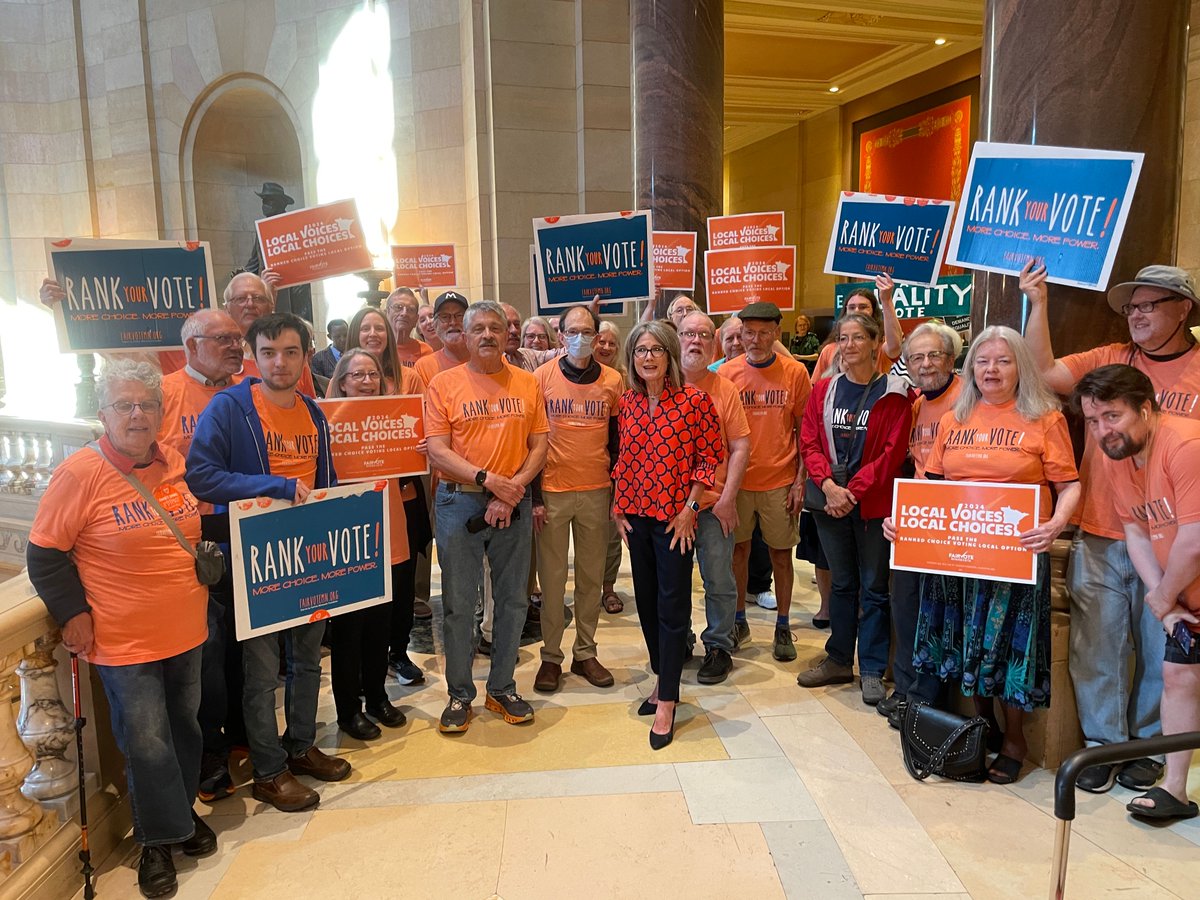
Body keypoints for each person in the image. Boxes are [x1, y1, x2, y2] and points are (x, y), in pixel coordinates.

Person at [27, 359, 214, 898]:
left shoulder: (171, 461)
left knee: (185, 728)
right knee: (147, 741)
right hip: (124, 638)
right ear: (103, 413)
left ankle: (180, 815)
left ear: (160, 410)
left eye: (148, 404)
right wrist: (73, 613)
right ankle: (156, 842)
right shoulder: (79, 473)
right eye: (124, 405)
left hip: (187, 627)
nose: (137, 414)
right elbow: (44, 554)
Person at [1024, 262, 1200, 794]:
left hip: (1179, 538)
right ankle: (1103, 744)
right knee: (1095, 645)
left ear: (1183, 310)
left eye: (1150, 305)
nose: (1138, 316)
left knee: (1160, 649)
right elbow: (1044, 372)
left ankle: (1149, 745)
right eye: (1132, 307)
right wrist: (1037, 303)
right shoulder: (1109, 358)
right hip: (1105, 526)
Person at [899, 325, 1080, 784]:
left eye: (1002, 361)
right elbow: (932, 484)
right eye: (983, 361)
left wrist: (1056, 524)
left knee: (1007, 647)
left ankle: (1015, 738)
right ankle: (984, 728)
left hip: (1014, 557)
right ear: (970, 367)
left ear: (1020, 367)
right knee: (963, 642)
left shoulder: (1046, 418)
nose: (991, 369)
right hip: (956, 555)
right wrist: (906, 519)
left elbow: (1070, 484)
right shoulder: (954, 420)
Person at [187, 312, 349, 812]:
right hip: (257, 558)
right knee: (260, 671)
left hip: (308, 556)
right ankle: (268, 770)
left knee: (306, 657)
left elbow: (325, 481)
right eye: (269, 352)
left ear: (305, 356)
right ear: (254, 357)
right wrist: (272, 486)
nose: (280, 362)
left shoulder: (313, 411)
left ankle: (300, 745)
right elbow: (202, 476)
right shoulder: (229, 407)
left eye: (291, 352)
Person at [1075, 365, 1200, 822]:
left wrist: (1164, 598)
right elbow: (1136, 531)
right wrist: (1164, 601)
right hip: (1185, 594)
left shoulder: (1185, 446)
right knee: (1178, 678)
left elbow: (1195, 538)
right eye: (1092, 421)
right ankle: (1175, 789)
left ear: (1145, 410)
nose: (1102, 430)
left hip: (1183, 586)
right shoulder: (1117, 456)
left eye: (1112, 416)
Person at [424, 301, 549, 732]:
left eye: (495, 327)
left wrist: (511, 490)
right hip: (460, 501)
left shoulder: (528, 383)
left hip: (512, 500)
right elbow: (438, 449)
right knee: (460, 605)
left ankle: (502, 688)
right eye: (478, 328)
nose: (488, 335)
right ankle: (460, 695)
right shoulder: (443, 384)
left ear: (505, 334)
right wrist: (489, 480)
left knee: (513, 600)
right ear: (464, 334)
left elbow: (539, 446)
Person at [613, 320, 722, 749]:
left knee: (673, 606)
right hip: (636, 519)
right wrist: (618, 507)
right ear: (631, 358)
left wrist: (690, 510)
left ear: (671, 355)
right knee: (645, 602)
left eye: (657, 349)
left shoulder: (695, 401)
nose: (648, 357)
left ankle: (669, 701)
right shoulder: (629, 403)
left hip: (675, 520)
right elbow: (622, 459)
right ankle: (662, 677)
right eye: (640, 350)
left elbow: (707, 460)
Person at [798, 313, 911, 705]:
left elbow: (892, 453)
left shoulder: (894, 393)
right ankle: (839, 659)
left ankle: (873, 669)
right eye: (843, 338)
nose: (848, 346)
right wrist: (828, 486)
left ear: (876, 342)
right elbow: (809, 441)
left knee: (874, 589)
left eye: (857, 338)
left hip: (873, 506)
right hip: (831, 503)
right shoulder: (824, 390)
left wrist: (853, 492)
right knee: (843, 584)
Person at [157, 309, 246, 804]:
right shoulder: (165, 394)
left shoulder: (246, 391)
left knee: (242, 637)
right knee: (207, 647)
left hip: (246, 523)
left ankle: (241, 733)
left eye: (237, 338)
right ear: (192, 347)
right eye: (223, 339)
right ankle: (208, 751)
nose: (236, 346)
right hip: (193, 533)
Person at [531, 304, 624, 693]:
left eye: (588, 331)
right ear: (560, 335)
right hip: (552, 491)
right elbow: (529, 442)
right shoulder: (539, 379)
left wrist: (618, 496)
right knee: (552, 581)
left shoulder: (614, 381)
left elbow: (619, 444)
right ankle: (551, 657)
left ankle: (585, 651)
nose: (581, 339)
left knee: (590, 577)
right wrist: (534, 496)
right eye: (573, 331)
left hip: (596, 490)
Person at [877, 320, 963, 727]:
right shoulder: (914, 404)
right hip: (915, 517)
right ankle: (908, 689)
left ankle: (925, 699)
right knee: (906, 604)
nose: (926, 364)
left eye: (934, 355)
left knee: (937, 610)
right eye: (917, 357)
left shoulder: (967, 399)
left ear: (951, 358)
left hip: (953, 521)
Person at [323, 349, 410, 739]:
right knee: (348, 629)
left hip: (388, 524)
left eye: (372, 374)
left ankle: (377, 697)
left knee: (381, 624)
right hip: (347, 534)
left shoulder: (393, 417)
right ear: (342, 381)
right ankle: (348, 710)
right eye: (356, 375)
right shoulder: (325, 422)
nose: (365, 381)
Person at [720, 303, 812, 662]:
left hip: (780, 479)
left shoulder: (794, 373)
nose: (755, 340)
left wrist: (800, 480)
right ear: (739, 334)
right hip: (738, 483)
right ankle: (740, 619)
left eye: (763, 332)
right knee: (737, 554)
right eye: (748, 333)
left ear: (777, 333)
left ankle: (783, 624)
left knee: (781, 555)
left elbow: (805, 431)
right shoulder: (726, 374)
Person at [679, 312, 751, 684]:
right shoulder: (660, 383)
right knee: (672, 581)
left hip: (713, 505)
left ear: (715, 342)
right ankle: (679, 641)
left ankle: (719, 645)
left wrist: (728, 499)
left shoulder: (725, 390)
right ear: (677, 338)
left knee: (719, 579)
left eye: (704, 335)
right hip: (669, 508)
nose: (696, 341)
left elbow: (740, 446)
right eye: (689, 334)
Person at [593, 320, 627, 613]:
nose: (605, 347)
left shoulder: (625, 378)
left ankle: (608, 587)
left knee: (610, 534)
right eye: (600, 341)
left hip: (615, 469)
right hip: (576, 470)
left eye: (611, 343)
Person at [813, 275, 903, 378]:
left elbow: (895, 347)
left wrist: (886, 300)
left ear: (873, 311)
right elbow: (817, 387)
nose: (856, 311)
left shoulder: (879, 346)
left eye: (863, 307)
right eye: (852, 307)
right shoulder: (829, 350)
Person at [414, 291, 471, 386]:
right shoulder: (424, 367)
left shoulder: (485, 359)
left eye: (459, 316)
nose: (453, 322)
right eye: (445, 317)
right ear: (435, 326)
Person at [346, 306, 406, 393]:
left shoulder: (410, 378)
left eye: (379, 328)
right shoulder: (340, 380)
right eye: (365, 329)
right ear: (355, 335)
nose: (373, 334)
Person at [386, 287, 435, 368]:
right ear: (387, 313)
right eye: (398, 307)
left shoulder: (425, 351)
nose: (404, 313)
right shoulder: (378, 347)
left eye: (410, 309)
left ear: (416, 319)